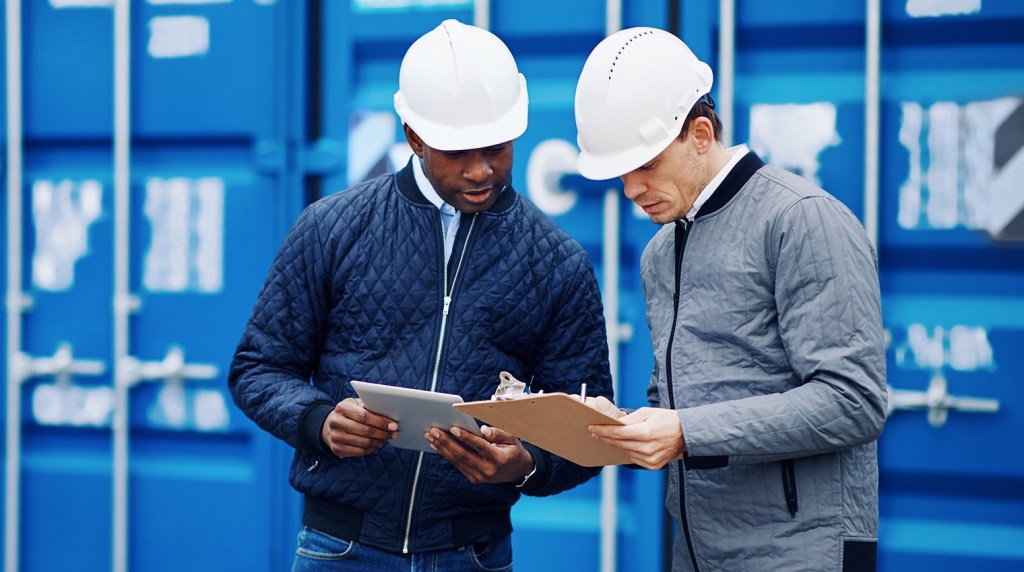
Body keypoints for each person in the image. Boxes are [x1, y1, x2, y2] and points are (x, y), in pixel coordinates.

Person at [228, 19, 612, 572]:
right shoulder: (331, 228)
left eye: (497, 149)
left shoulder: (559, 263)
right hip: (339, 551)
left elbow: (589, 428)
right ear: (413, 136)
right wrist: (318, 422)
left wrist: (525, 464)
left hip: (473, 555)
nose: (481, 169)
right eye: (458, 151)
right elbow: (257, 368)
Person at [573, 27, 888, 572]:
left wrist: (684, 432)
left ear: (700, 133)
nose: (630, 189)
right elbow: (681, 410)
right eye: (620, 173)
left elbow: (854, 402)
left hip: (801, 554)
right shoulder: (658, 253)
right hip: (696, 553)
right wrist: (620, 426)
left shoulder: (802, 219)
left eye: (645, 165)